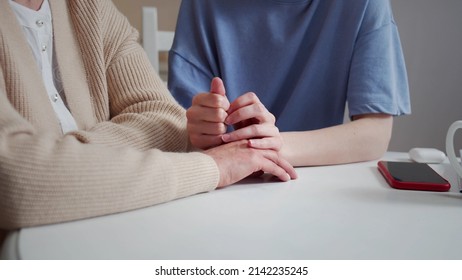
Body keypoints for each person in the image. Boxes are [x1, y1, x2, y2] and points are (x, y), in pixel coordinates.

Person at [0, 0, 297, 241]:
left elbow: (166, 119)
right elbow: (14, 179)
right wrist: (213, 168)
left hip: (111, 235)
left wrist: (60, 160)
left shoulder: (91, 7)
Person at [168, 0, 411, 167]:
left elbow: (375, 133)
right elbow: (178, 127)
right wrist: (200, 132)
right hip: (220, 180)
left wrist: (278, 146)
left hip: (314, 181)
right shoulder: (202, 4)